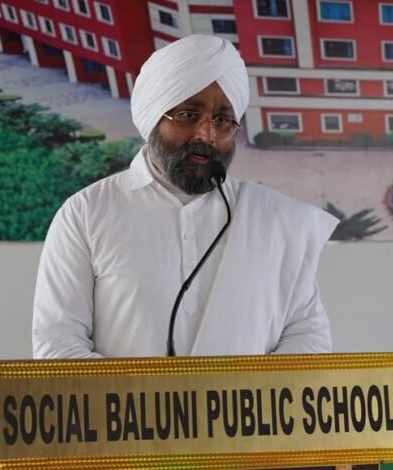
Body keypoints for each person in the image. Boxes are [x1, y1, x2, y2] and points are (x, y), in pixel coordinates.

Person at [33, 35, 339, 359]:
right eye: (189, 115)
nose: (206, 135)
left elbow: (307, 335)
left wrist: (251, 392)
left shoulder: (273, 219)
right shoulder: (87, 213)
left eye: (222, 121)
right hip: (128, 397)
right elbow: (58, 345)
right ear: (154, 117)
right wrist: (143, 393)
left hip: (253, 396)